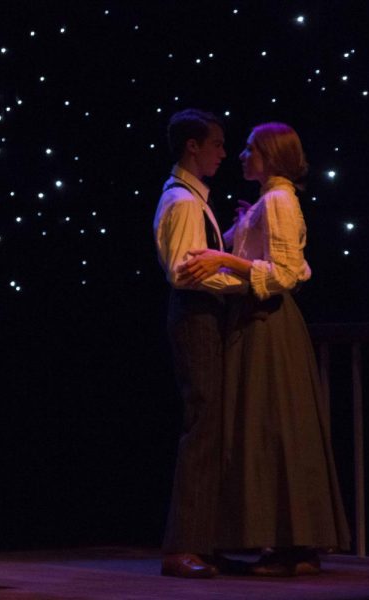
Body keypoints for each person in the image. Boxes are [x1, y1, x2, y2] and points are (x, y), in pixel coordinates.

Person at [179, 122, 351, 576]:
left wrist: (225, 258)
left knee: (276, 428)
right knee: (264, 428)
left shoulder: (279, 200)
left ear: (271, 156)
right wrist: (244, 226)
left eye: (251, 149)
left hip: (270, 323)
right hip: (257, 323)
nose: (240, 155)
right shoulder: (268, 202)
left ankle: (294, 547)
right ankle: (287, 545)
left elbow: (287, 274)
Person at [153, 109, 246, 578]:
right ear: (193, 146)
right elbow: (186, 271)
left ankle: (203, 541)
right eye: (216, 144)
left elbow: (200, 256)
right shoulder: (183, 200)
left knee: (212, 427)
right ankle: (182, 547)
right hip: (194, 316)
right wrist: (250, 280)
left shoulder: (195, 199)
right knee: (203, 427)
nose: (223, 153)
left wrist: (229, 239)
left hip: (202, 316)